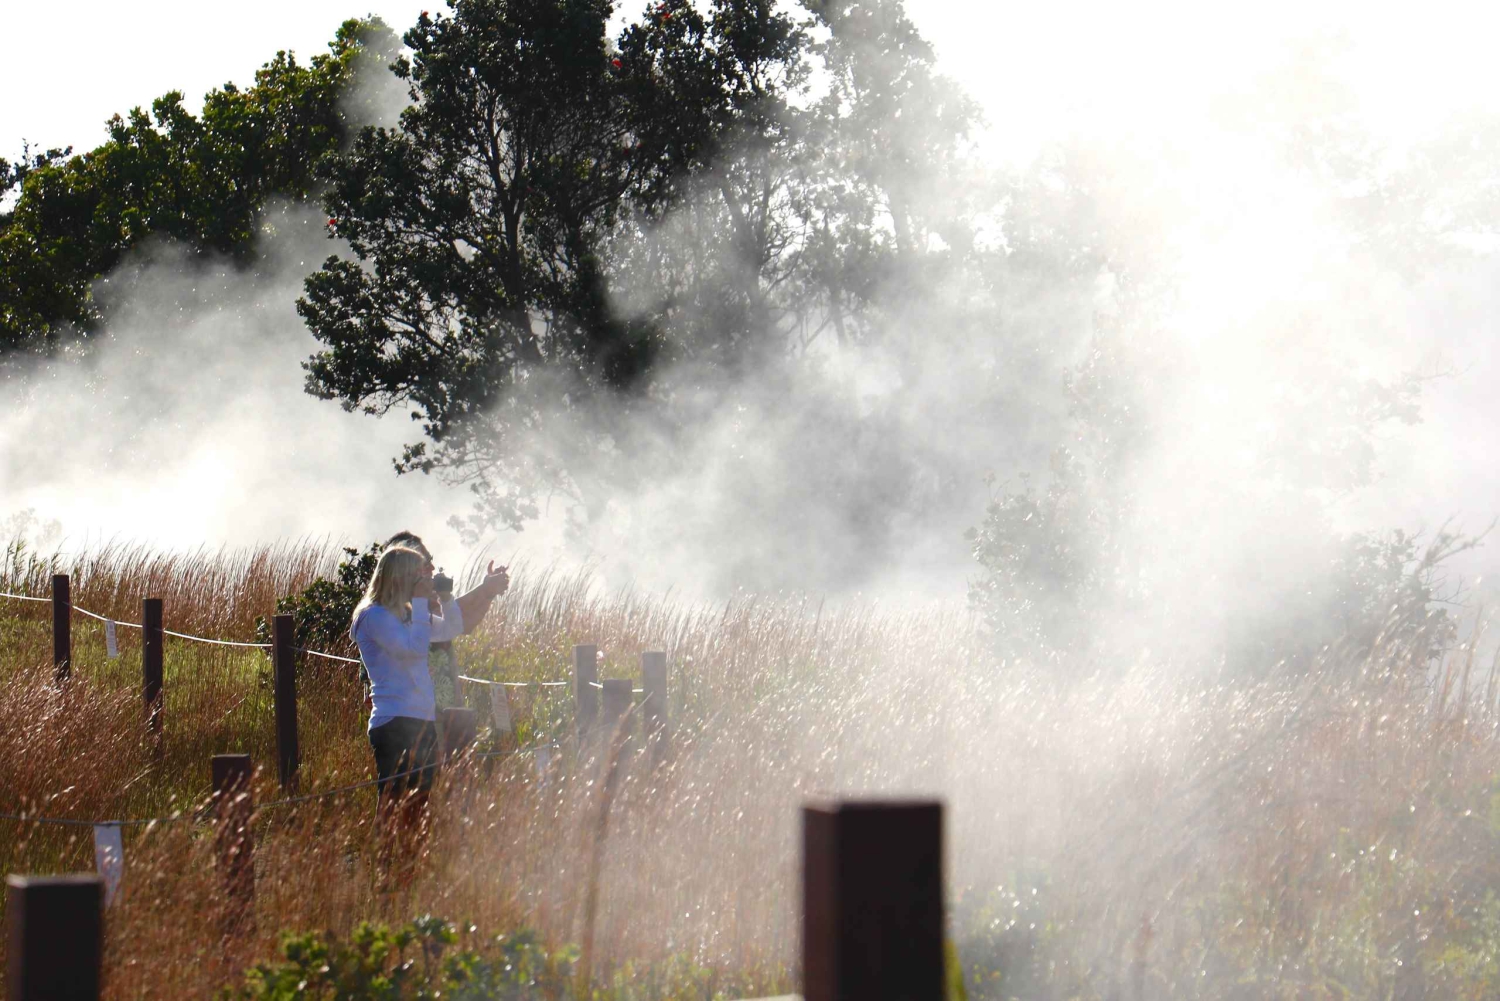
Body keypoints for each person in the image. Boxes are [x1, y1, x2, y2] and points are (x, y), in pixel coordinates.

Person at [349, 545, 450, 882]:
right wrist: (421, 605)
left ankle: (408, 872)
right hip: (394, 719)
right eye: (417, 575)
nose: (422, 581)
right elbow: (413, 649)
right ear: (400, 577)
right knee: (392, 800)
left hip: (419, 718)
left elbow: (451, 628)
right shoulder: (374, 616)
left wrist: (445, 597)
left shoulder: (404, 614)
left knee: (420, 801)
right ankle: (383, 871)